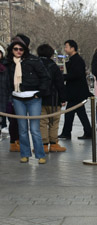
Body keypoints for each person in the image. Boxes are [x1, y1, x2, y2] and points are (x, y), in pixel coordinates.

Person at [8, 35, 51, 164]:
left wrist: (40, 93)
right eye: (15, 49)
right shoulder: (8, 62)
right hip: (17, 98)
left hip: (34, 98)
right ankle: (25, 154)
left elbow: (45, 77)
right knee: (22, 129)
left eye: (21, 49)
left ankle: (40, 155)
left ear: (25, 49)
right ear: (12, 49)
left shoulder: (34, 60)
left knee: (35, 129)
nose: (18, 51)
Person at [36, 44, 67, 153]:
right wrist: (63, 98)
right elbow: (60, 84)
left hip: (39, 98)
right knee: (54, 122)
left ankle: (43, 145)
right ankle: (54, 144)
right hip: (54, 99)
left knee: (42, 122)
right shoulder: (54, 66)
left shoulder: (36, 64)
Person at [59, 40, 92, 140]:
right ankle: (70, 132)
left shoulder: (77, 60)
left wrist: (63, 77)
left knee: (73, 113)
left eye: (66, 47)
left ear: (73, 48)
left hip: (77, 92)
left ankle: (68, 132)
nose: (65, 49)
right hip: (76, 91)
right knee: (76, 113)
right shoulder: (73, 59)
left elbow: (76, 75)